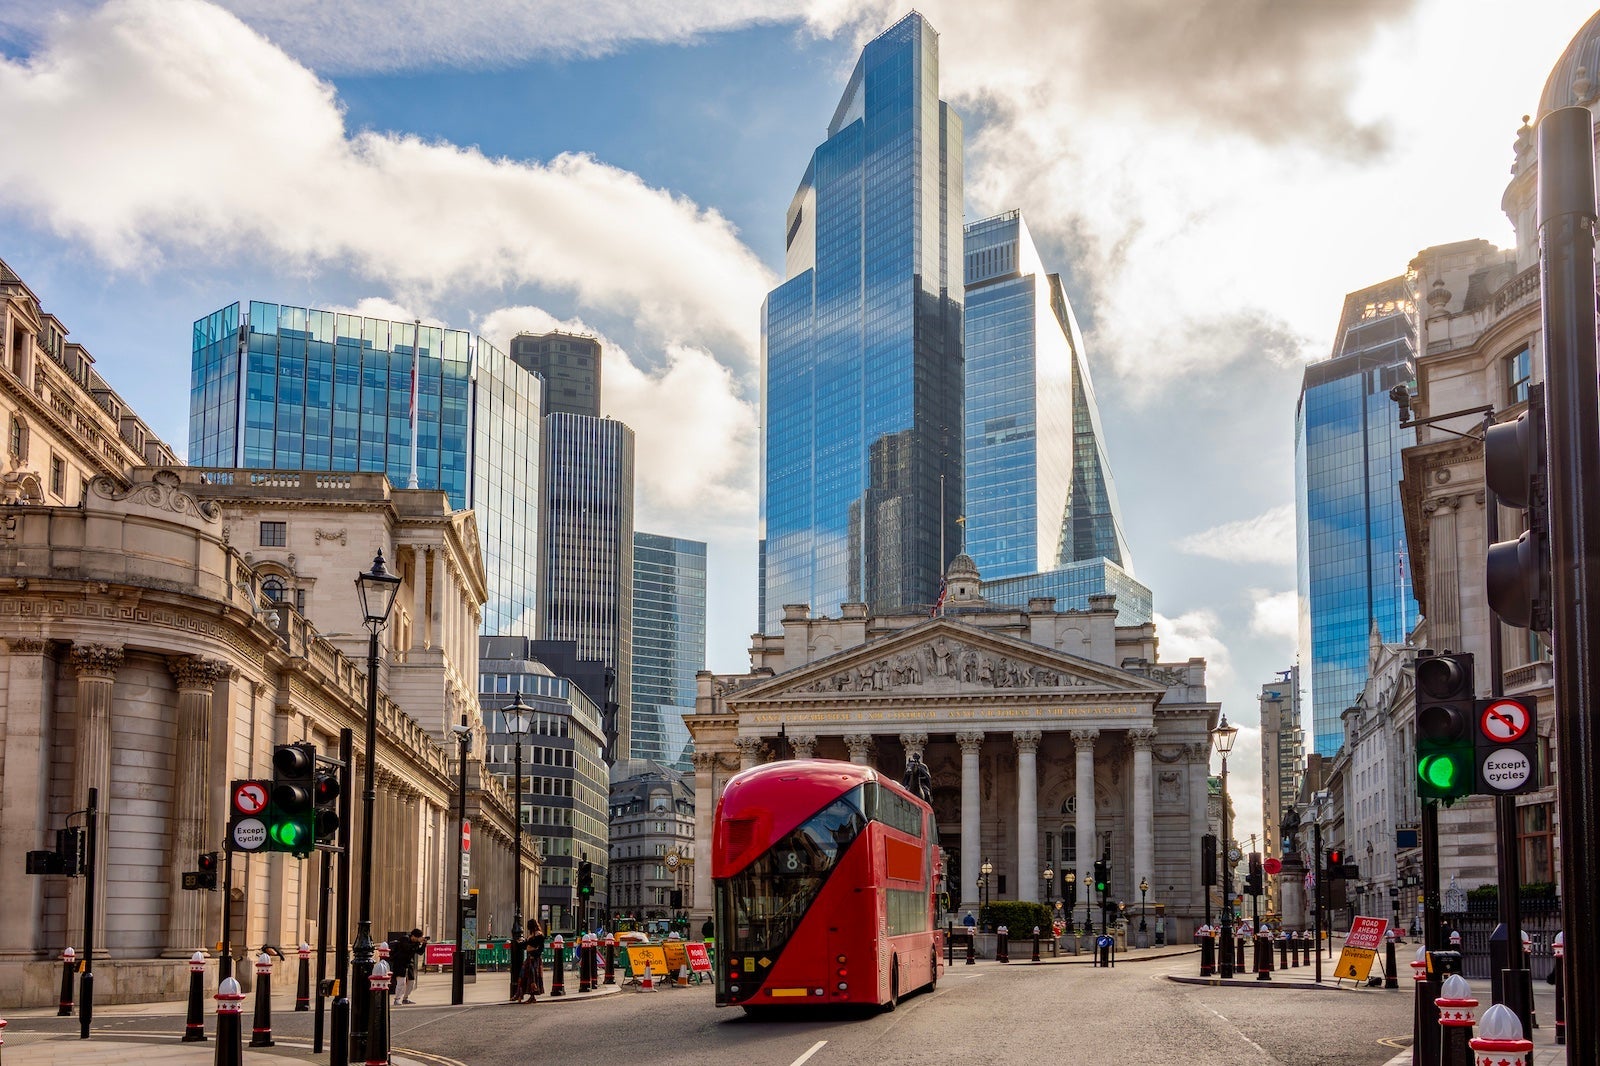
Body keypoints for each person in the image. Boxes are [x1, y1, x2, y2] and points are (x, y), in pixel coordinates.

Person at [387, 928, 423, 1004]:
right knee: (401, 982)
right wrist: (417, 943)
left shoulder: (415, 943)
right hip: (400, 963)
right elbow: (407, 948)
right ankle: (397, 999)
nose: (418, 939)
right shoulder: (404, 939)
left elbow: (420, 952)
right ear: (413, 936)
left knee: (411, 982)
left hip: (409, 963)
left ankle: (405, 998)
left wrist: (424, 944)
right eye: (417, 938)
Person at [519, 919, 546, 1003]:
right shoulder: (531, 935)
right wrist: (520, 943)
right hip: (529, 957)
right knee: (524, 975)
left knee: (533, 977)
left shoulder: (538, 935)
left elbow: (540, 948)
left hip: (535, 958)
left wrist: (534, 954)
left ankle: (532, 996)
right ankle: (521, 994)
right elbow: (526, 945)